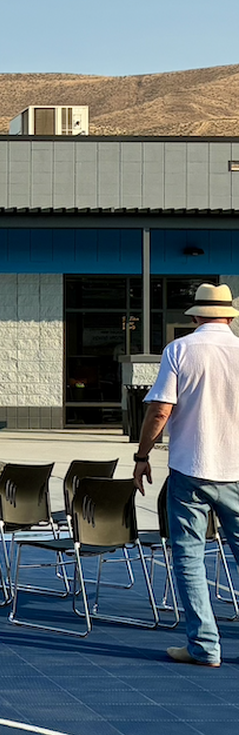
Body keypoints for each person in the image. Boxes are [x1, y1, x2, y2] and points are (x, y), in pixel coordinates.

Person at [134, 282, 239, 668]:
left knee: (190, 558)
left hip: (190, 468)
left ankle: (204, 646)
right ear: (229, 317)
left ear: (196, 317)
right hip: (237, 470)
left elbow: (160, 410)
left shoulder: (180, 350)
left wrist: (142, 455)